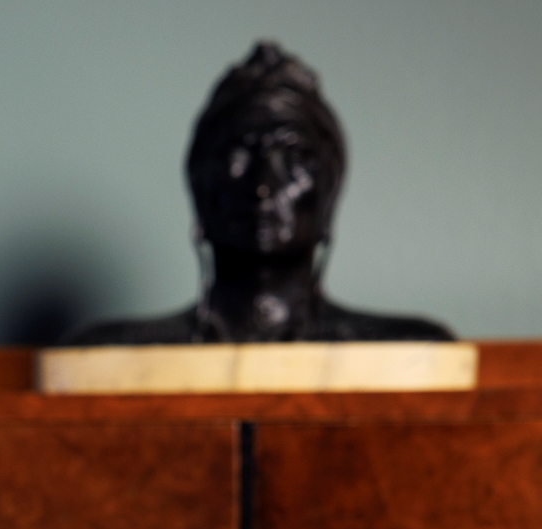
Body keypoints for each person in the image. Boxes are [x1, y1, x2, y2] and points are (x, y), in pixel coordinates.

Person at [70, 41, 454, 345]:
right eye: (238, 154)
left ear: (330, 190)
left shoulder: (407, 348)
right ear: (199, 185)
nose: (264, 185)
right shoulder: (109, 352)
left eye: (296, 157)